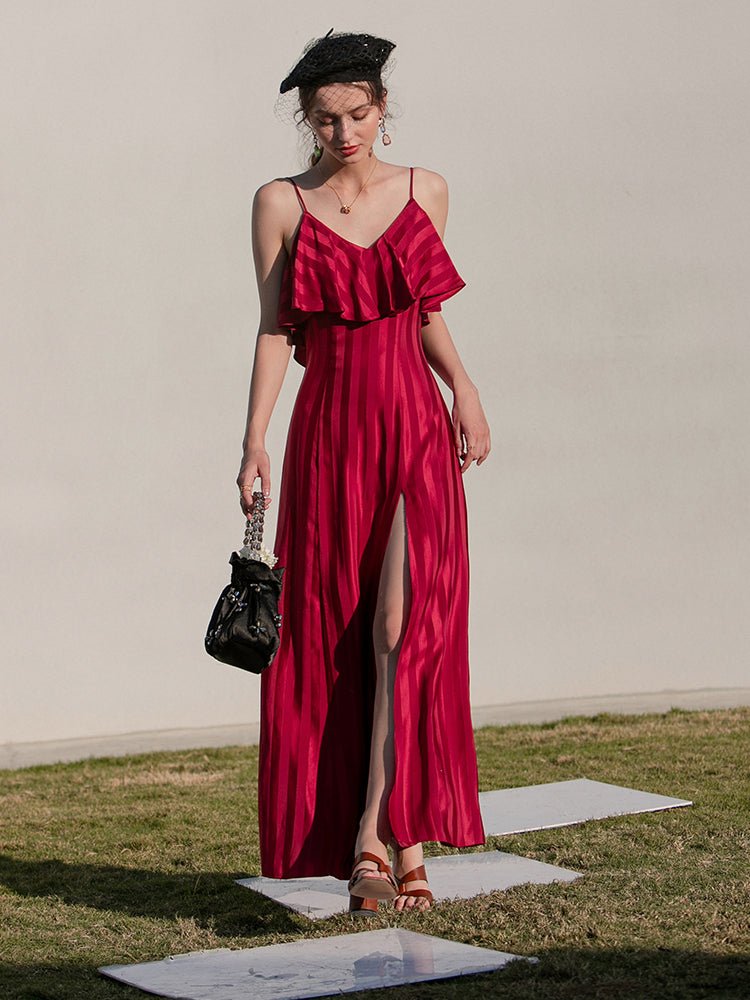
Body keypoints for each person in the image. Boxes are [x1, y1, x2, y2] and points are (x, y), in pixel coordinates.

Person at [236, 30, 491, 915]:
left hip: (415, 431)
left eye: (358, 114)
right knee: (339, 641)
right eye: (325, 119)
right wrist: (255, 438)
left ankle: (373, 842)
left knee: (401, 629)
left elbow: (420, 310)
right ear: (305, 121)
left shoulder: (426, 191)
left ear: (383, 106)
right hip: (330, 439)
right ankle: (401, 846)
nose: (345, 133)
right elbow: (276, 327)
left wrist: (464, 388)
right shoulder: (279, 202)